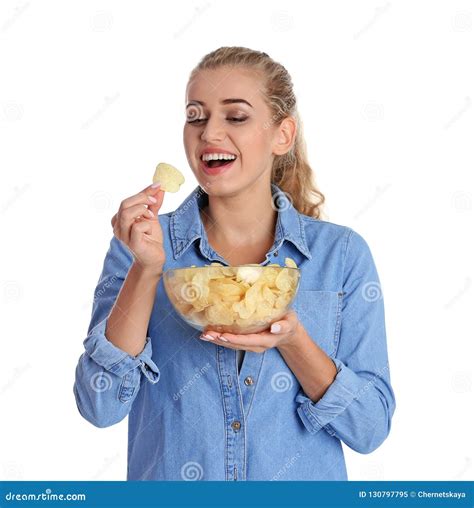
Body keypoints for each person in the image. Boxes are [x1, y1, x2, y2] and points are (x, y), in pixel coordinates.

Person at [73, 46, 396, 481]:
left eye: (236, 117)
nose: (209, 133)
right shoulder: (139, 246)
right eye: (196, 115)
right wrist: (147, 270)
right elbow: (99, 406)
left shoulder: (341, 256)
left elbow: (370, 428)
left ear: (282, 135)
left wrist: (293, 341)